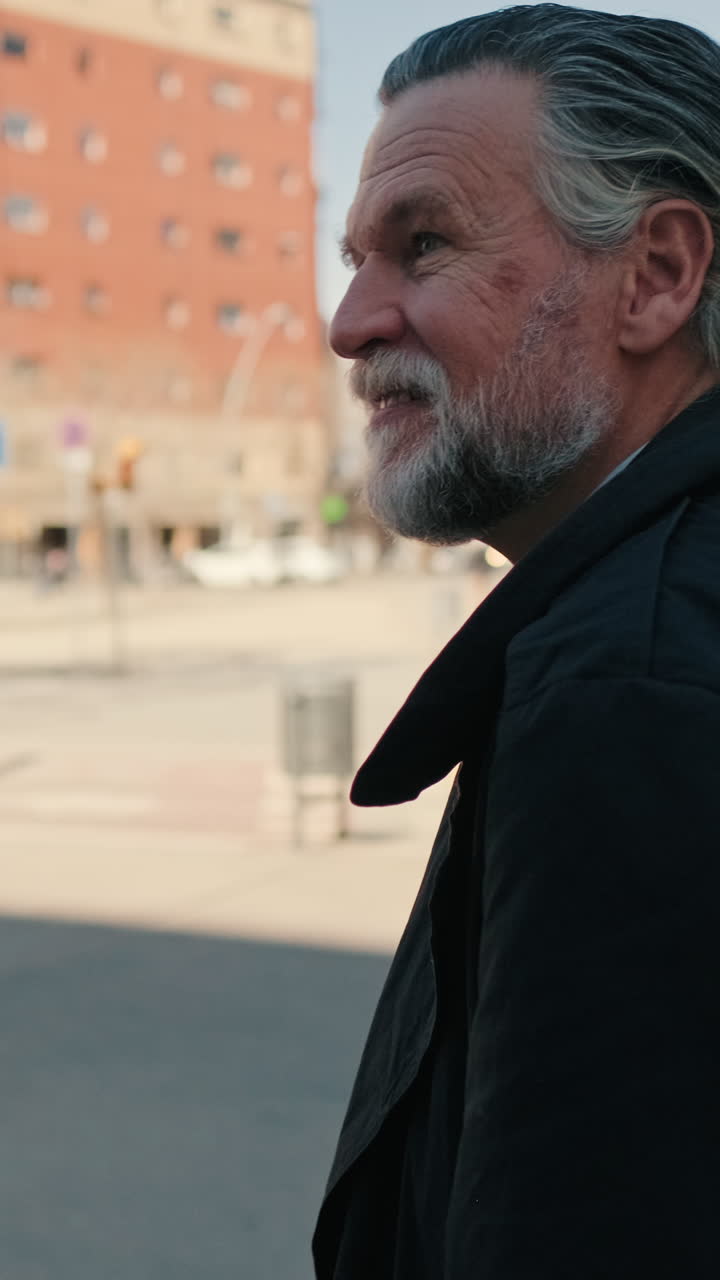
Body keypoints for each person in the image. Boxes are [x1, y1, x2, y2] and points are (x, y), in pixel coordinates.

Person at [312, 7, 720, 1278]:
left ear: (656, 274)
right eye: (354, 257)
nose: (350, 321)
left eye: (423, 244)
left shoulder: (629, 683)